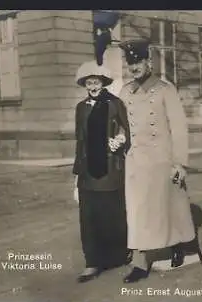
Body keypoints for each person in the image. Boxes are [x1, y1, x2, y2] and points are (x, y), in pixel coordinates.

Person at [118, 39, 196, 283]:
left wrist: (179, 163)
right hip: (136, 160)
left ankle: (177, 245)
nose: (134, 67)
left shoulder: (165, 89)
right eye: (130, 62)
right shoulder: (125, 92)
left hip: (162, 159)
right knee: (138, 211)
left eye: (138, 61)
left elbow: (179, 128)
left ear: (148, 61)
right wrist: (118, 139)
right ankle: (140, 262)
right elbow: (119, 125)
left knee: (168, 207)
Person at [72, 60, 131, 283]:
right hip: (87, 173)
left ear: (103, 83)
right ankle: (92, 262)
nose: (93, 86)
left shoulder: (115, 104)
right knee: (88, 218)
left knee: (111, 215)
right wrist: (76, 177)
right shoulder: (81, 108)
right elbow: (80, 141)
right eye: (89, 82)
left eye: (96, 82)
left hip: (109, 171)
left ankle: (117, 254)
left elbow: (127, 130)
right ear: (84, 84)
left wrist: (121, 139)